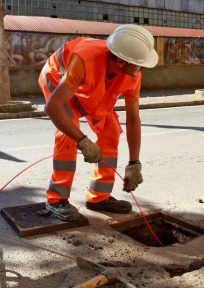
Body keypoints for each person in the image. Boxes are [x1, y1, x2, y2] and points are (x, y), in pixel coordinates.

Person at [38, 24, 158, 222]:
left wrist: (134, 163)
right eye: (139, 64)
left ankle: (98, 197)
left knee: (110, 130)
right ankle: (56, 200)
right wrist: (82, 140)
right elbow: (53, 107)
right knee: (68, 132)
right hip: (57, 79)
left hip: (90, 86)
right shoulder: (85, 59)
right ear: (121, 61)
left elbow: (133, 118)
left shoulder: (131, 75)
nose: (141, 69)